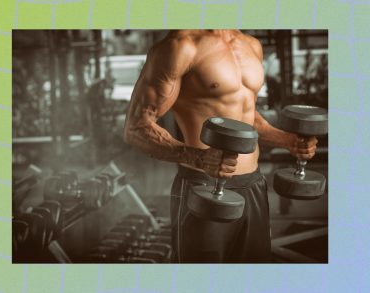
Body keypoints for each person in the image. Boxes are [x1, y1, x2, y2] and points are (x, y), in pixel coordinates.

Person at [123, 30, 317, 263]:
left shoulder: (251, 45)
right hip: (203, 186)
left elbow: (244, 118)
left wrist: (287, 140)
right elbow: (136, 126)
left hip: (253, 185)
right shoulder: (180, 46)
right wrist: (199, 158)